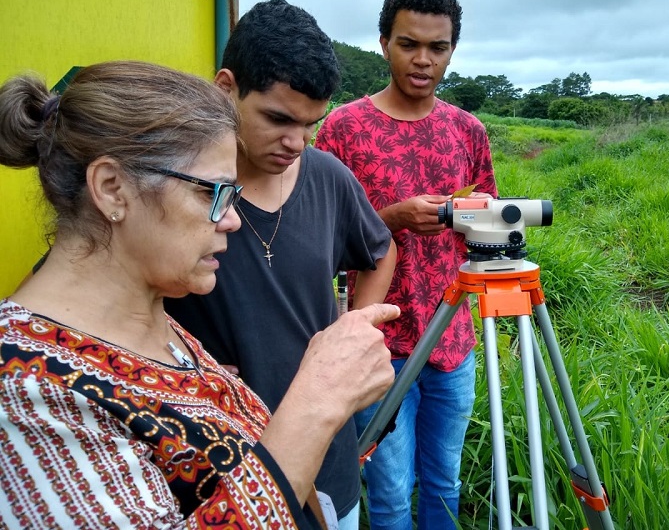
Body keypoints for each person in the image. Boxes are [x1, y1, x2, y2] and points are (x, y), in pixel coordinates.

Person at [0, 60, 399, 529]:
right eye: (213, 194)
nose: (231, 219)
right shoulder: (26, 391)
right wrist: (319, 400)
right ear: (112, 189)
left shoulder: (155, 323)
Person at [164, 0, 396, 529]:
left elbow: (381, 251)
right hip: (222, 467)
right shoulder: (173, 188)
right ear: (226, 89)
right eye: (277, 119)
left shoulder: (329, 178)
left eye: (311, 124)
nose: (296, 142)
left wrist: (352, 329)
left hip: (330, 464)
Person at [316, 0, 498, 529]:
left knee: (445, 480)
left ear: (452, 51)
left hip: (453, 339)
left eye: (437, 47)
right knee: (390, 489)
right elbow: (319, 236)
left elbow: (488, 233)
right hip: (377, 342)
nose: (423, 60)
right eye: (408, 43)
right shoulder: (343, 129)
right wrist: (391, 219)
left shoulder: (467, 131)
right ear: (383, 43)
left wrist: (478, 217)